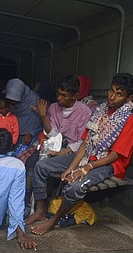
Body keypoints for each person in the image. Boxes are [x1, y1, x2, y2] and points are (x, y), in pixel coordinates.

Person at [27, 73, 133, 235]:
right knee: (41, 166)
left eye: (119, 94)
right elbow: (85, 143)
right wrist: (71, 168)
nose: (112, 97)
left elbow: (114, 156)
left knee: (75, 187)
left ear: (129, 98)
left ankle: (53, 221)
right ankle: (40, 210)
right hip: (87, 156)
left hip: (108, 164)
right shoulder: (101, 111)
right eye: (111, 91)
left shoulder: (129, 120)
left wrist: (86, 167)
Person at [23, 75, 92, 215]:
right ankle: (29, 204)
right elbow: (53, 134)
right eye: (58, 94)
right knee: (31, 161)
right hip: (56, 145)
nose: (59, 98)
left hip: (74, 152)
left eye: (64, 95)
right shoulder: (54, 107)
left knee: (43, 166)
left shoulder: (85, 112)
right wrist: (43, 116)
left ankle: (40, 209)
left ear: (75, 96)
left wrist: (60, 153)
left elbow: (82, 142)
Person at [4, 78, 43, 148]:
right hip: (9, 134)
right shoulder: (5, 99)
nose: (12, 103)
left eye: (15, 100)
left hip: (28, 137)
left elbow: (41, 121)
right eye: (10, 100)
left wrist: (31, 133)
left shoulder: (34, 101)